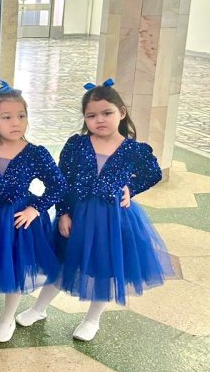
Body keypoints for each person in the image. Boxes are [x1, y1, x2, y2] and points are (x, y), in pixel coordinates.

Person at [16, 80, 173, 342]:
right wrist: (63, 212)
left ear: (121, 112)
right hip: (77, 215)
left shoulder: (134, 150)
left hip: (113, 220)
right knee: (62, 262)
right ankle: (38, 308)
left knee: (104, 267)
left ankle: (92, 319)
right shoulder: (77, 145)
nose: (99, 120)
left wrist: (130, 188)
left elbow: (152, 173)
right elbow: (63, 179)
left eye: (106, 113)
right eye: (91, 115)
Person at [0, 82, 65, 342]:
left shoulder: (36, 153)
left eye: (21, 116)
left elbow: (58, 184)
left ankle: (7, 317)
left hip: (17, 223)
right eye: (7, 117)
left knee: (13, 269)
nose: (16, 123)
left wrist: (35, 208)